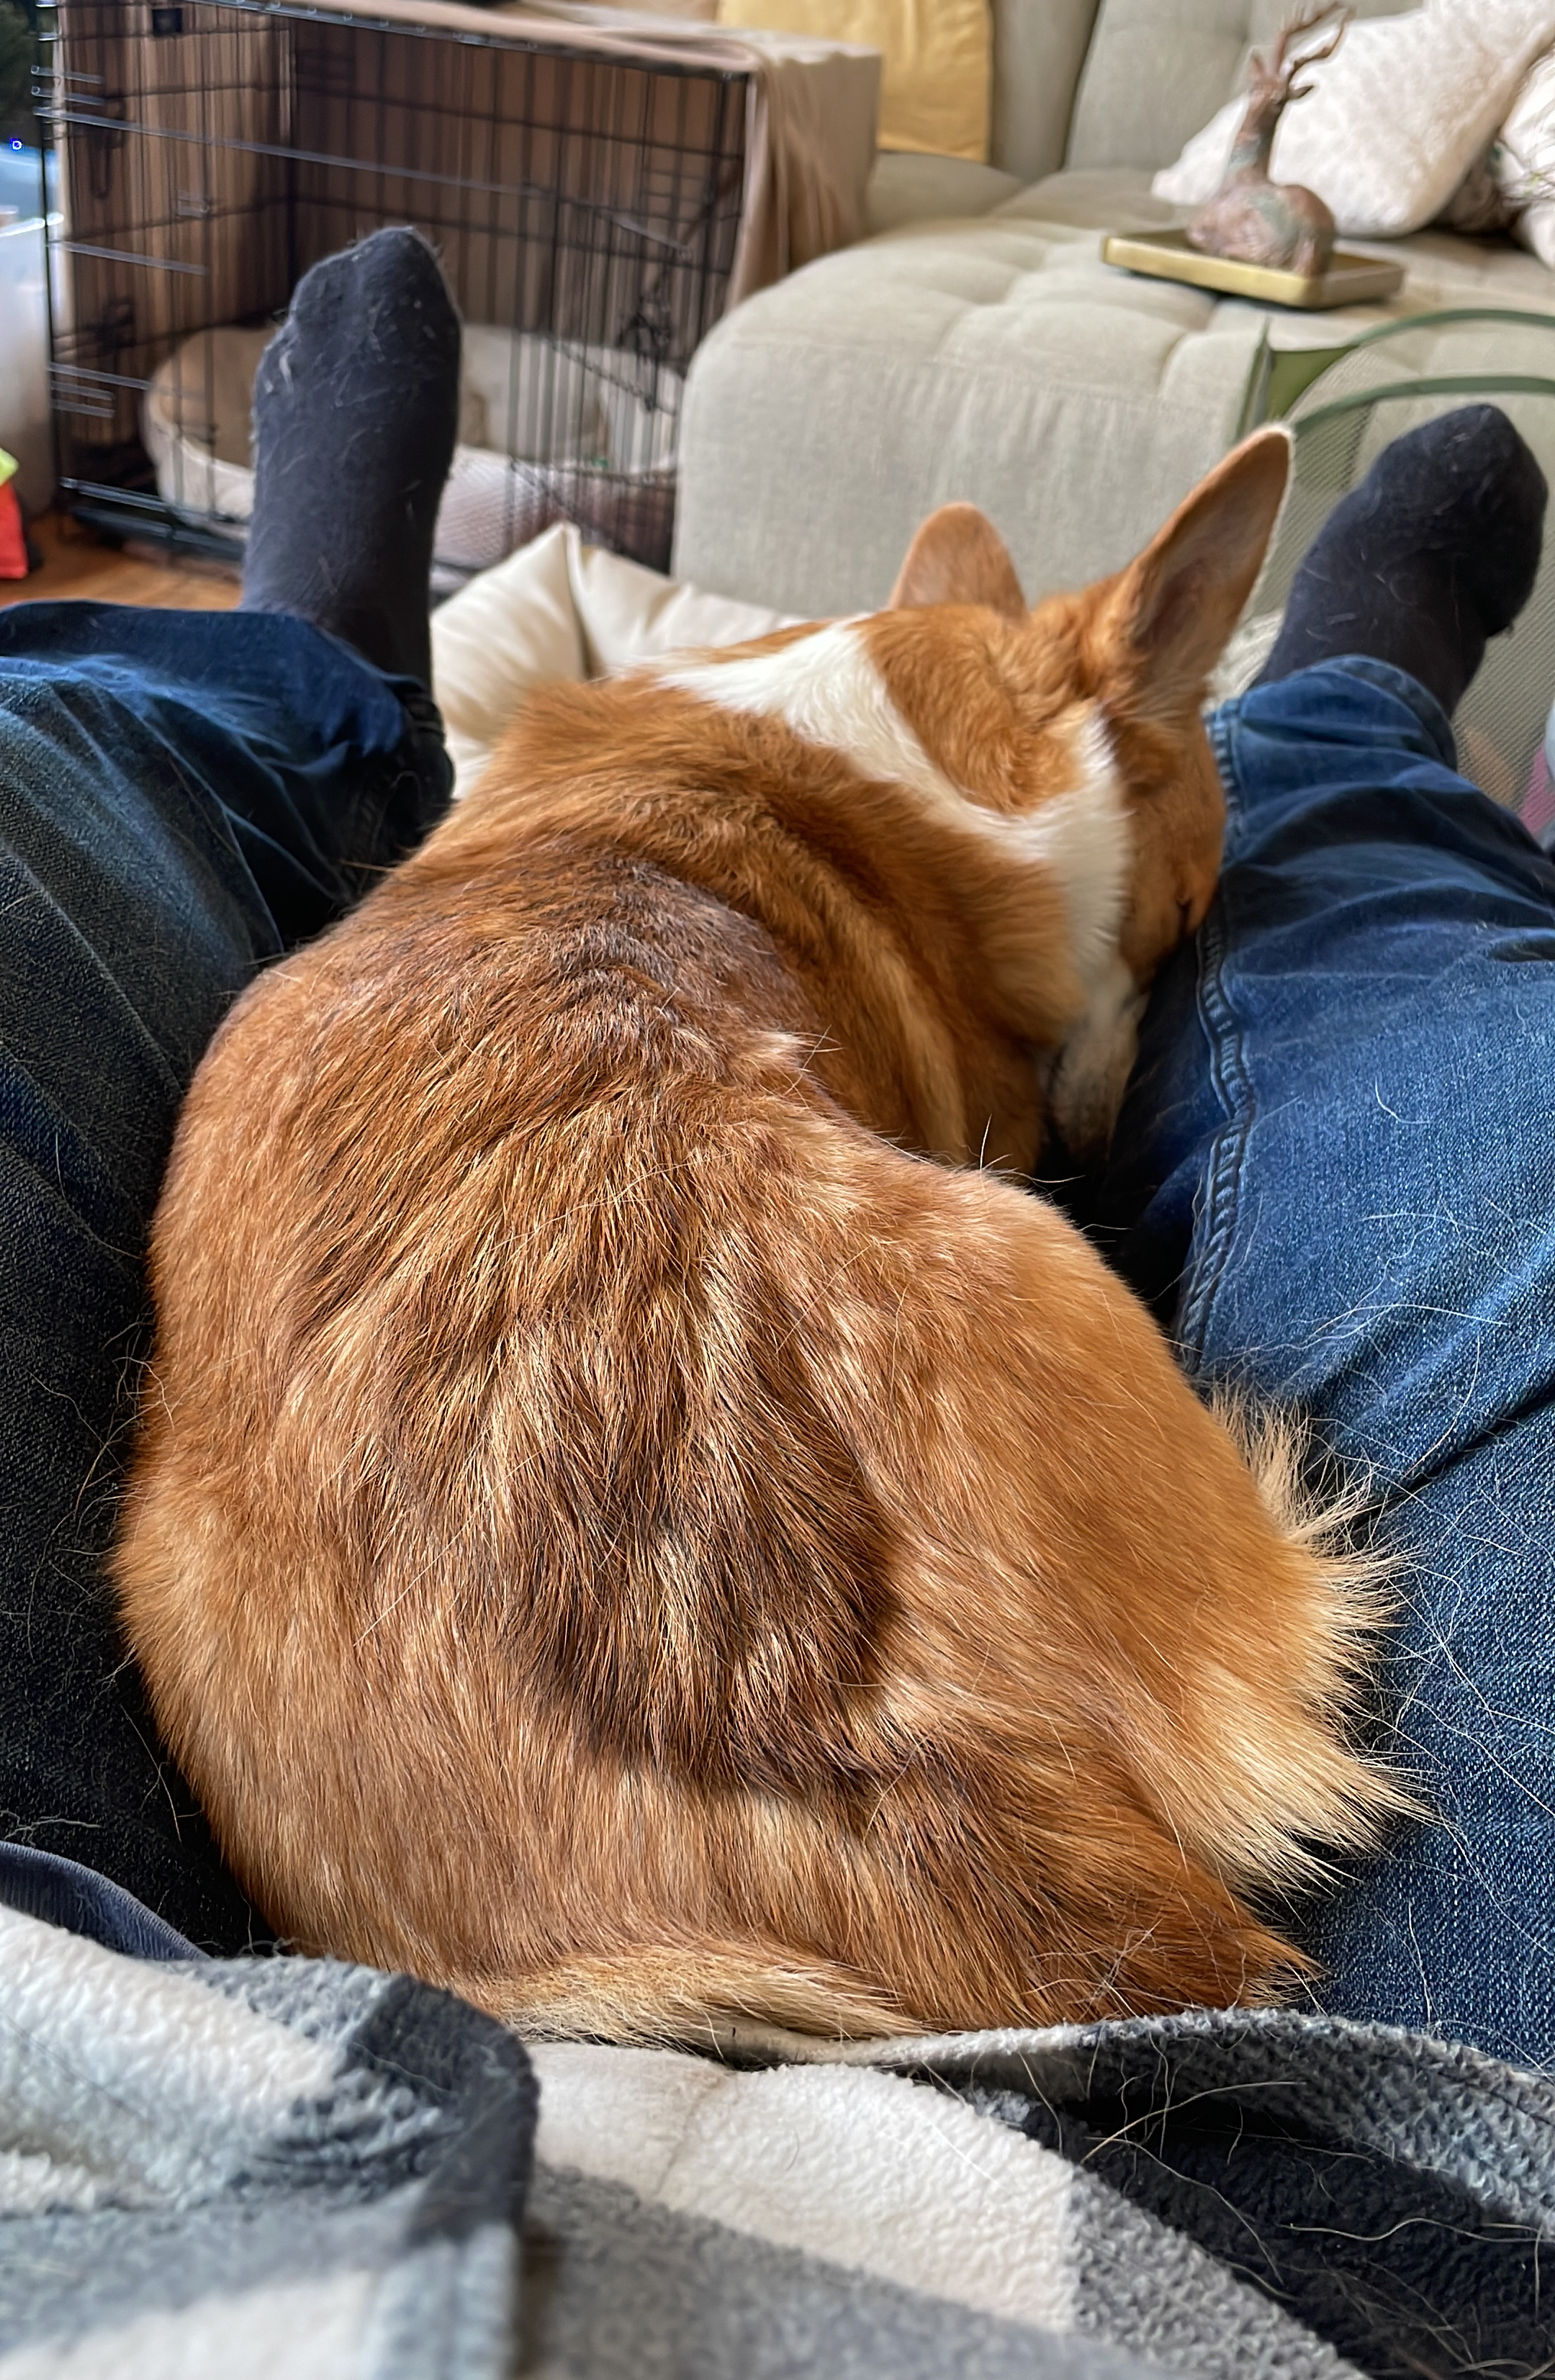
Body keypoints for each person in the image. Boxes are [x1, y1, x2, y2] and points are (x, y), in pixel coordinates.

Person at [1, 227, 1552, 2068]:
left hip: (349, 1810)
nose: (1114, 1029)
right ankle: (1352, 718)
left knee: (80, 756)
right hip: (993, 1869)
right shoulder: (998, 871)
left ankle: (313, 673)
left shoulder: (607, 790)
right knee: (1378, 939)